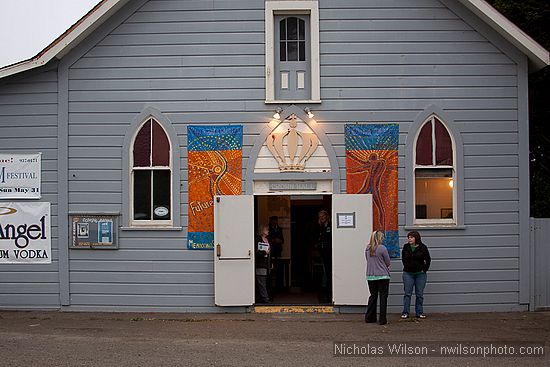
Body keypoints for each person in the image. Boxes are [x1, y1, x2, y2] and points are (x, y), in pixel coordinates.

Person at [401, 231, 431, 319]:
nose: (409, 239)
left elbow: (428, 259)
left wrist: (424, 269)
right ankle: (405, 312)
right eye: (409, 237)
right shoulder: (406, 247)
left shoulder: (423, 247)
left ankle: (419, 312)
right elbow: (403, 259)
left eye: (411, 237)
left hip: (420, 274)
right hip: (408, 273)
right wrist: (407, 266)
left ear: (416, 238)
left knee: (419, 294)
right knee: (407, 293)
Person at [365, 230, 391, 325]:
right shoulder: (382, 248)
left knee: (373, 296)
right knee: (383, 297)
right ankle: (382, 319)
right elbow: (387, 262)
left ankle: (369, 317)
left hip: (371, 276)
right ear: (380, 238)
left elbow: (368, 260)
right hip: (383, 276)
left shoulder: (367, 249)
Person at [316, 209, 332, 301]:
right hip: (323, 253)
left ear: (326, 216)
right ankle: (325, 293)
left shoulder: (331, 226)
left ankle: (329, 294)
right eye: (320, 217)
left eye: (323, 216)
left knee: (328, 273)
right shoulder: (320, 227)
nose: (321, 218)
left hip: (330, 253)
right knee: (325, 272)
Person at [255, 224, 271, 304]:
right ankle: (265, 298)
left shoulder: (267, 239)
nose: (268, 231)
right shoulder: (258, 239)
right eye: (266, 229)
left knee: (264, 281)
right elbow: (257, 252)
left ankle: (263, 297)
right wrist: (265, 252)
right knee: (261, 282)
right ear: (262, 231)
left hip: (266, 263)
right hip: (260, 264)